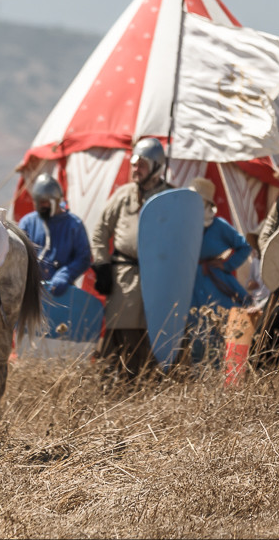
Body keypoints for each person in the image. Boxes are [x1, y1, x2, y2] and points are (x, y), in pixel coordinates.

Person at [88, 137, 171, 382]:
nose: (135, 169)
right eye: (134, 164)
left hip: (158, 279)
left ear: (156, 167)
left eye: (142, 165)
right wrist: (102, 265)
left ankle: (150, 387)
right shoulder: (123, 195)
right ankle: (115, 387)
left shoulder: (170, 198)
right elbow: (100, 229)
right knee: (119, 331)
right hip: (125, 278)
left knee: (155, 332)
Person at [184, 177, 253, 364]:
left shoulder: (218, 225)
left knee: (217, 333)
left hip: (214, 282)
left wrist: (227, 265)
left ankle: (218, 383)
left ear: (206, 203)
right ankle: (199, 382)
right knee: (196, 333)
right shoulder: (184, 225)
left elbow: (244, 246)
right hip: (191, 283)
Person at [18, 173, 92, 297]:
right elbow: (18, 253)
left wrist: (65, 274)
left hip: (61, 291)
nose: (40, 206)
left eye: (44, 202)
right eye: (38, 202)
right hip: (30, 292)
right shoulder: (28, 223)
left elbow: (83, 257)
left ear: (55, 200)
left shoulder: (74, 225)